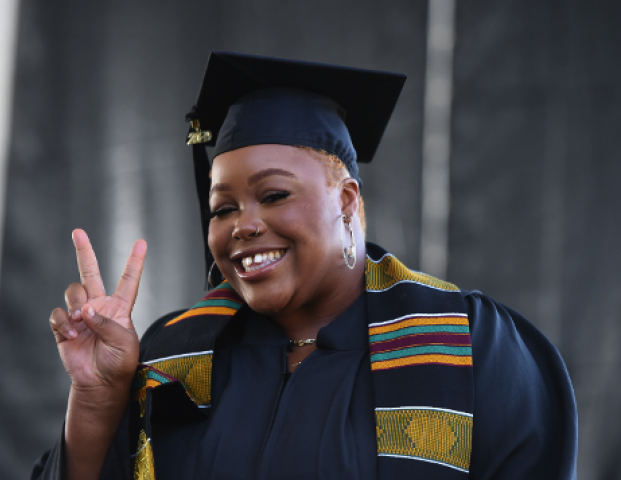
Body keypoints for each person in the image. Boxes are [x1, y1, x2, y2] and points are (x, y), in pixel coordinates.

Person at [32, 52, 578, 480]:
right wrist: (98, 397)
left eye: (272, 195)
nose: (242, 224)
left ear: (345, 201)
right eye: (223, 208)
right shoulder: (170, 358)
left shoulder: (468, 344)